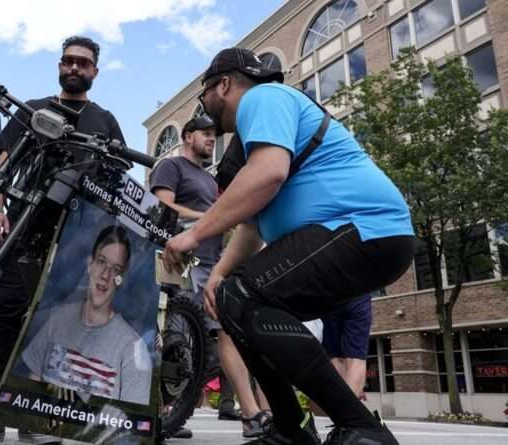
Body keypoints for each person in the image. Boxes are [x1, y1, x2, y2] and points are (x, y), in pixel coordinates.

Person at [163, 47, 415, 445]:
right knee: (232, 302)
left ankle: (361, 427)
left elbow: (268, 174)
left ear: (224, 84)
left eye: (204, 94)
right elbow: (252, 226)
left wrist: (193, 234)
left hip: (363, 228)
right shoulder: (262, 132)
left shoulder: (262, 97)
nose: (206, 105)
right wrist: (220, 275)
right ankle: (289, 429)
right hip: (359, 238)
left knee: (241, 294)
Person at [0, 35, 125, 445]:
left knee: (59, 321)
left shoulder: (106, 120)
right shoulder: (34, 109)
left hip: (77, 233)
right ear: (59, 66)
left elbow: (116, 181)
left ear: (95, 71)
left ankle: (37, 414)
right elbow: (5, 160)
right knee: (8, 312)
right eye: (69, 60)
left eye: (83, 62)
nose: (75, 67)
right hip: (24, 223)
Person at [149, 116, 271, 437]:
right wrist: (210, 218)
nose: (210, 139)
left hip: (212, 266)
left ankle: (251, 416)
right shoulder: (171, 167)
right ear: (187, 137)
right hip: (178, 264)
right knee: (174, 341)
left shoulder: (209, 180)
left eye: (213, 135)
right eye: (204, 134)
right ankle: (161, 414)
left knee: (229, 332)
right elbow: (162, 207)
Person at [20, 225, 152, 405]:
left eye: (115, 269)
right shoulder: (59, 318)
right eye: (101, 261)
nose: (105, 275)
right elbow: (32, 385)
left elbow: (129, 417)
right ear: (90, 264)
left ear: (121, 279)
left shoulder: (133, 349)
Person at [321, 294, 373, 399]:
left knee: (335, 358)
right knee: (356, 360)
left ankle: (340, 405)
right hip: (358, 295)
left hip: (328, 297)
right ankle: (348, 406)